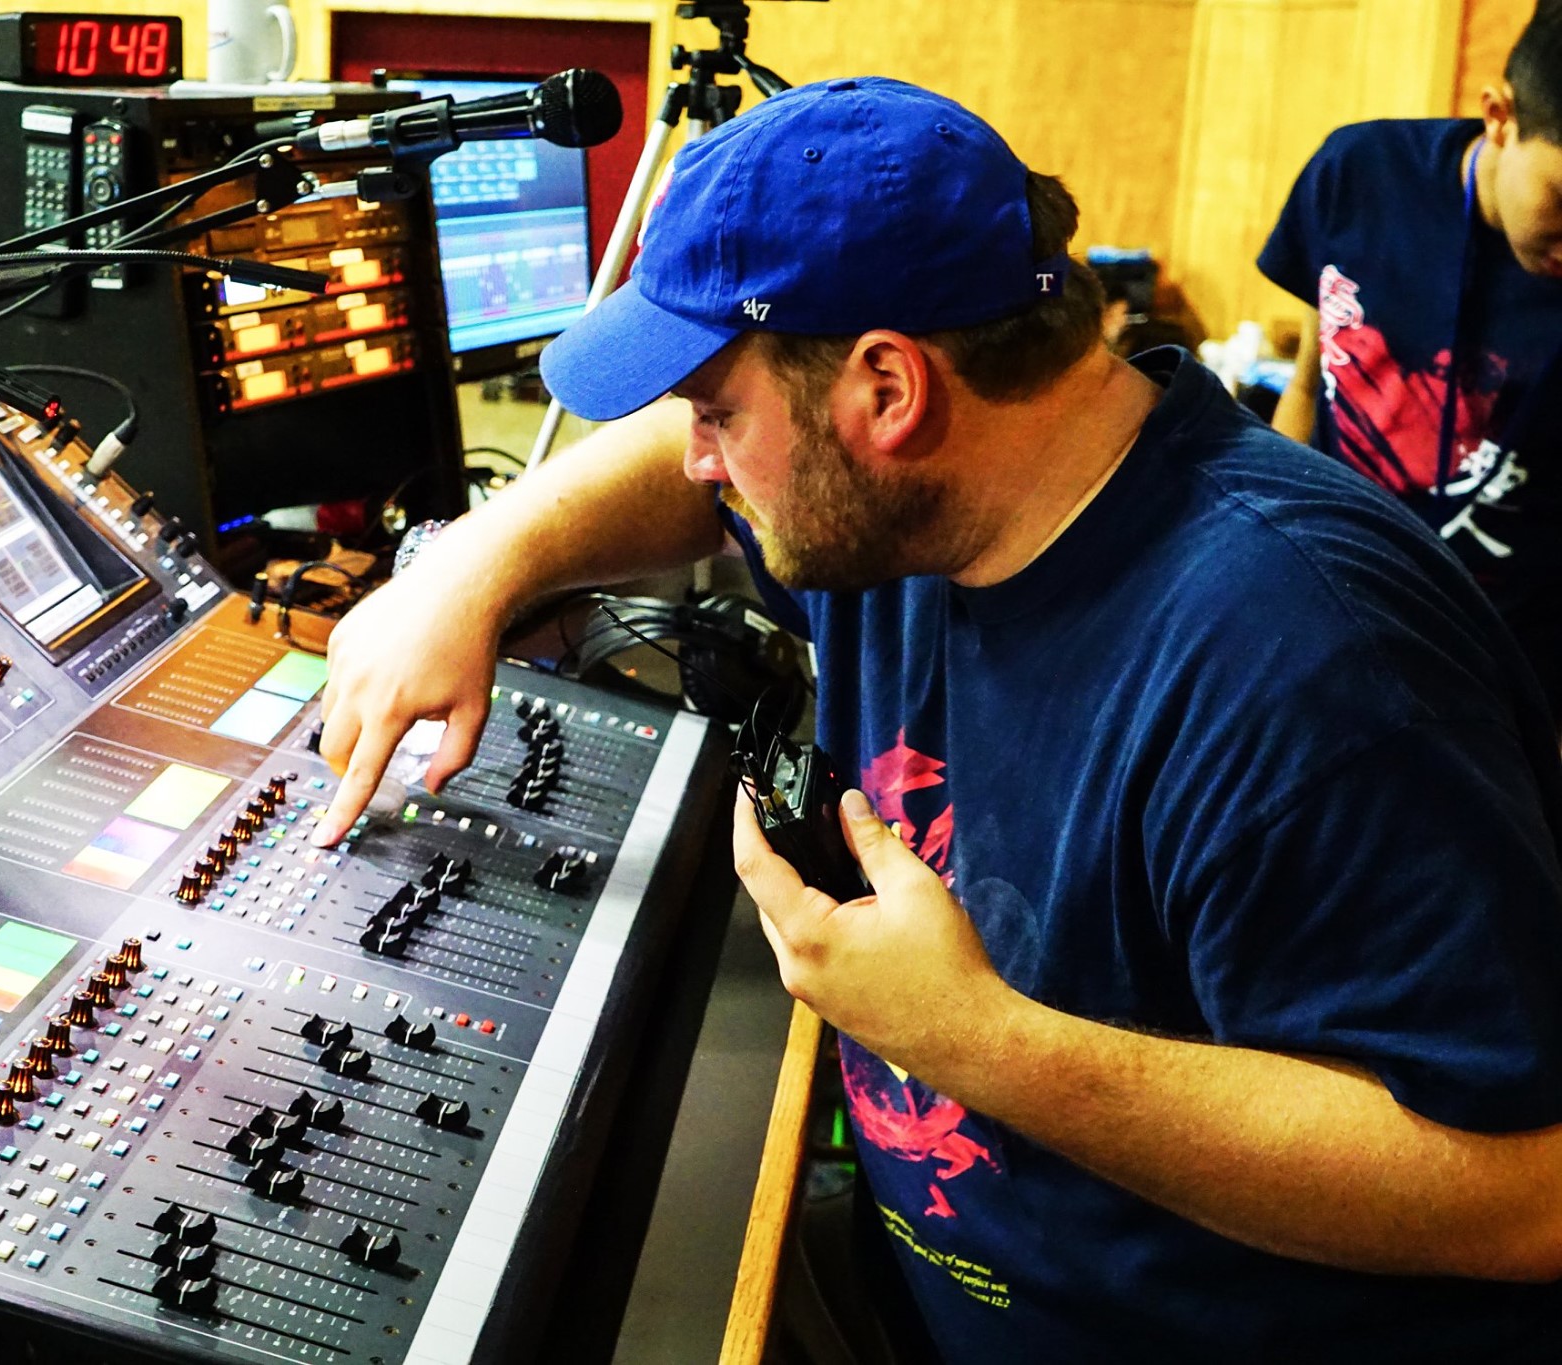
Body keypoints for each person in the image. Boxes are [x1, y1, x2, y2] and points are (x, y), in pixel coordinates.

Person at [312, 77, 1562, 1360]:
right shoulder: (923, 491)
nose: (696, 459)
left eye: (714, 412)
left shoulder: (1307, 660)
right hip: (928, 1288)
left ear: (887, 389)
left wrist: (980, 1044)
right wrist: (472, 568)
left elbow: (1526, 1195)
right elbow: (696, 473)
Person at [1261, 3, 1562, 727]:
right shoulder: (1356, 174)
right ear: (1499, 116)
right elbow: (1307, 385)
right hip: (1320, 628)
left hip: (1509, 690)